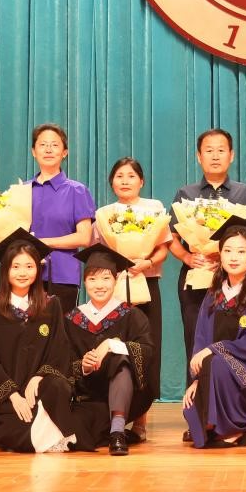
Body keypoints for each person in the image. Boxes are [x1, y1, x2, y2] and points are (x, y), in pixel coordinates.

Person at [0, 228, 97, 454]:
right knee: (19, 434)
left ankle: (54, 430)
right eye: (16, 267)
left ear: (38, 269)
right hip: (10, 402)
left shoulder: (51, 305)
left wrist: (39, 376)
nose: (23, 273)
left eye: (29, 266)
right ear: (6, 270)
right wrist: (13, 395)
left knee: (57, 385)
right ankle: (60, 434)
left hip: (45, 394)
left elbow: (60, 350)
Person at [168, 128, 246, 366]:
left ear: (231, 155)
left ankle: (232, 388)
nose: (215, 156)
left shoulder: (244, 193)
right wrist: (187, 257)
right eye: (209, 150)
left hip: (235, 278)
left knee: (233, 337)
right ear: (198, 156)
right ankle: (196, 388)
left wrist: (229, 255)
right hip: (196, 275)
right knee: (194, 339)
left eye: (221, 150)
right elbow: (169, 235)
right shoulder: (185, 193)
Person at [182, 217, 246, 449]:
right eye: (227, 250)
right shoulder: (213, 296)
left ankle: (234, 428)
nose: (233, 257)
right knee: (191, 408)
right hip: (217, 373)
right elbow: (200, 340)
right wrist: (198, 380)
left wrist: (214, 350)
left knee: (216, 363)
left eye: (241, 251)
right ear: (220, 255)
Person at [94, 157, 170, 441]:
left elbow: (163, 248)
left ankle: (140, 421)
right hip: (112, 288)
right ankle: (113, 417)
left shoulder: (154, 208)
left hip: (145, 284)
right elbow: (98, 254)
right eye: (119, 176)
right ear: (111, 182)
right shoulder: (104, 214)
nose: (125, 181)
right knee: (114, 349)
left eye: (131, 176)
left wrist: (146, 262)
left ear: (142, 181)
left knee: (145, 349)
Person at [62, 244, 157, 456]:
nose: (99, 285)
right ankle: (113, 430)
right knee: (79, 436)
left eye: (106, 278)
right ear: (84, 282)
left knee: (120, 360)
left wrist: (111, 345)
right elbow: (63, 361)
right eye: (92, 279)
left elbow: (147, 352)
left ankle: (117, 432)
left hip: (129, 396)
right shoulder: (71, 319)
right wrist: (84, 366)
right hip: (89, 397)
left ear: (116, 280)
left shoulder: (132, 315)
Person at [28, 123, 97, 313]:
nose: (48, 149)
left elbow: (84, 237)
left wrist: (43, 242)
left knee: (60, 328)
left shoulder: (77, 191)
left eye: (55, 145)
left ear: (65, 152)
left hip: (62, 275)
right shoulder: (22, 190)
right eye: (43, 145)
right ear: (34, 151)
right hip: (26, 274)